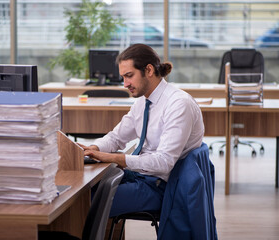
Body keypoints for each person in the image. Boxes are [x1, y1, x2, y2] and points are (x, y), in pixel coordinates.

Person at [80, 43, 204, 217]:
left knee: (85, 202)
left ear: (149, 70)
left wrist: (115, 158)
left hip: (162, 187)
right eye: (123, 77)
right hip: (142, 177)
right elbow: (116, 138)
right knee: (85, 191)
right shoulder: (143, 102)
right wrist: (94, 149)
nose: (125, 84)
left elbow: (164, 163)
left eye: (129, 76)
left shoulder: (178, 104)